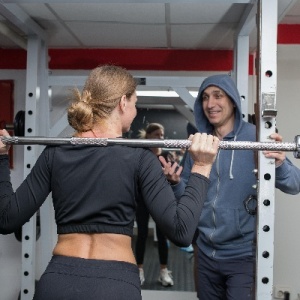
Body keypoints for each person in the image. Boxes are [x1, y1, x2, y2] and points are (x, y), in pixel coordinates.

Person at [0, 65, 220, 300]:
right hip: (114, 285)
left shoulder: (54, 153)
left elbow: (7, 218)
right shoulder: (141, 158)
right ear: (123, 102)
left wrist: (2, 157)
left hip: (58, 282)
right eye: (134, 103)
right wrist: (202, 166)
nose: (135, 112)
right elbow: (182, 231)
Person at [160, 74, 300, 300]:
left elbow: (295, 184)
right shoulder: (200, 143)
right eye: (205, 97)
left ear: (233, 100)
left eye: (218, 96)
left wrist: (281, 163)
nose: (210, 104)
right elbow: (188, 193)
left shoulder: (255, 137)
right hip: (205, 253)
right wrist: (175, 183)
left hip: (243, 256)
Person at [134, 122, 175, 287]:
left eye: (162, 135)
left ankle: (163, 272)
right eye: (157, 135)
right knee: (142, 235)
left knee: (162, 236)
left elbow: (173, 179)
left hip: (161, 200)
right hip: (143, 200)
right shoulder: (142, 154)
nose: (160, 138)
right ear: (149, 136)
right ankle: (139, 270)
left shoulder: (166, 155)